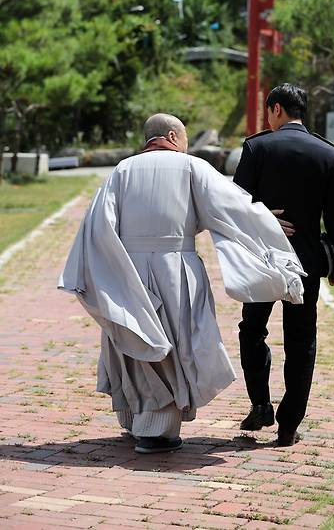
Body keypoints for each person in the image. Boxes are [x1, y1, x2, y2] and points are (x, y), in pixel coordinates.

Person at [59, 113, 306, 454]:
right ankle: (156, 431)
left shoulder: (121, 171)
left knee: (134, 337)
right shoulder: (192, 167)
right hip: (176, 267)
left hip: (127, 268)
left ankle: (134, 419)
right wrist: (267, 221)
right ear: (173, 136)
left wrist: (107, 273)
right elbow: (233, 206)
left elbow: (99, 224)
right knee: (174, 345)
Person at [233, 84, 334, 447]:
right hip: (306, 263)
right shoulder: (328, 154)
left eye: (270, 111)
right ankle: (289, 425)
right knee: (302, 342)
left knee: (252, 330)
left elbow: (235, 204)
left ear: (277, 109)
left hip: (263, 259)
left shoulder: (257, 147)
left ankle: (260, 405)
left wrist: (263, 217)